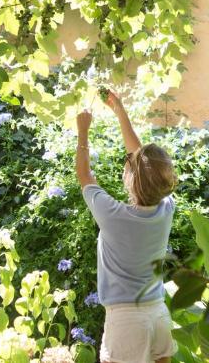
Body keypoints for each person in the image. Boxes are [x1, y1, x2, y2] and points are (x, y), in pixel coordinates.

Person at [75, 90, 178, 363]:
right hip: (157, 313)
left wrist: (83, 132)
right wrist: (119, 110)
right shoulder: (166, 208)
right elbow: (144, 164)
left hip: (125, 320)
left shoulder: (113, 215)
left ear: (132, 179)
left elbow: (85, 175)